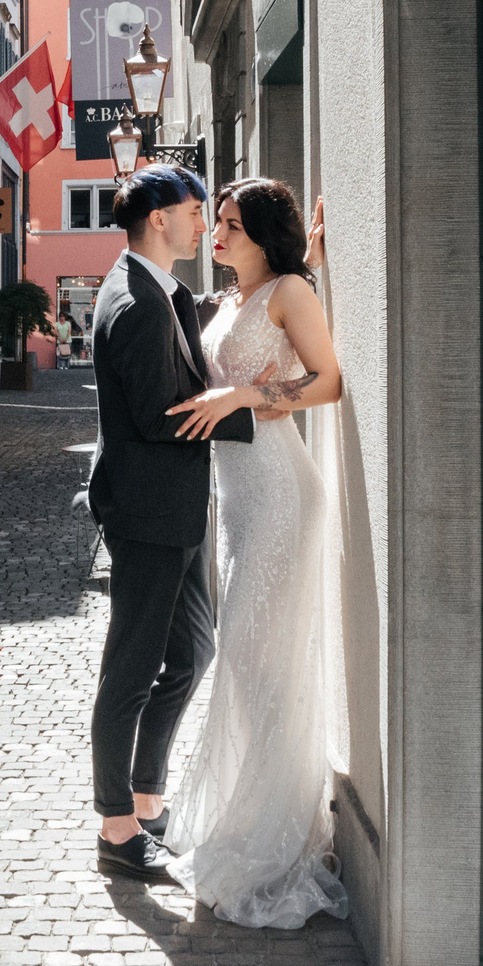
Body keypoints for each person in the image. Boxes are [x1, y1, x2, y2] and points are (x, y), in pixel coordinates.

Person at [158, 177, 349, 927]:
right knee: (247, 661)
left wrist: (244, 399)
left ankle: (283, 834)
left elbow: (329, 381)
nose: (218, 233)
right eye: (219, 223)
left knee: (246, 652)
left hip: (280, 493)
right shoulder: (234, 299)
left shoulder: (286, 291)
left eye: (232, 224)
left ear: (264, 234)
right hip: (237, 502)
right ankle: (258, 819)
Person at [81, 166, 250, 883]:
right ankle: (117, 829)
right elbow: (159, 414)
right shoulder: (136, 302)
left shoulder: (158, 289)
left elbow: (195, 319)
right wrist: (251, 405)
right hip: (150, 515)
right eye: (192, 211)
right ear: (158, 219)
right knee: (131, 667)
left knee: (192, 653)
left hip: (172, 511)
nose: (199, 224)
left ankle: (146, 798)